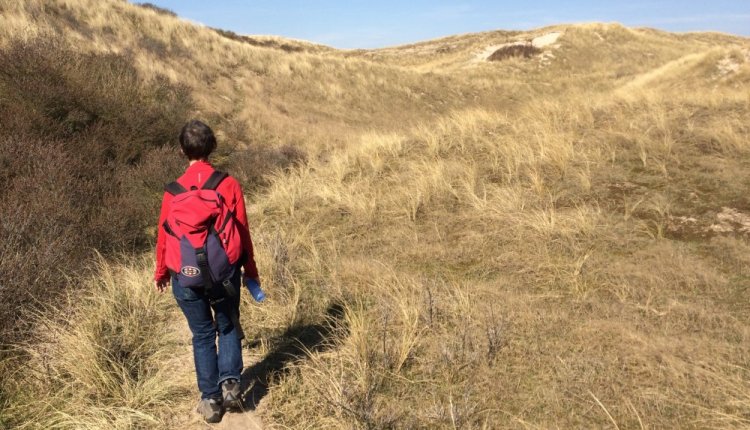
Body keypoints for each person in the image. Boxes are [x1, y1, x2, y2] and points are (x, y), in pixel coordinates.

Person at [154, 119, 261, 423]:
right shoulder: (228, 184)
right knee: (227, 325)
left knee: (202, 334)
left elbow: (164, 237)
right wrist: (250, 269)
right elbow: (242, 231)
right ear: (213, 147)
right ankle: (230, 384)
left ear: (181, 150)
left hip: (184, 276)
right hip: (224, 273)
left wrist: (162, 273)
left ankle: (210, 400)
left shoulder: (173, 191)